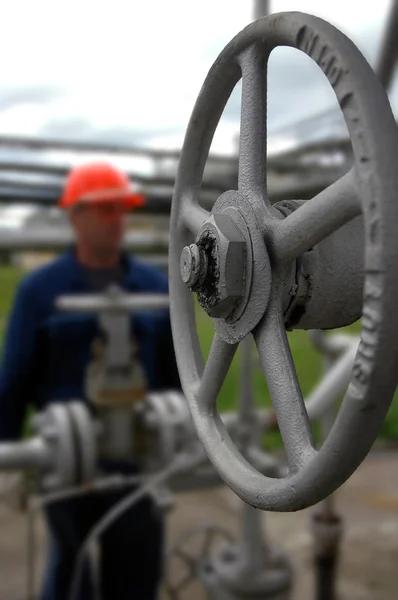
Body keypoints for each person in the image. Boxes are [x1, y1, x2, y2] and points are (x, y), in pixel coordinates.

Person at [0, 162, 181, 600]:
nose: (115, 220)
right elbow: (15, 377)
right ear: (74, 216)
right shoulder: (40, 291)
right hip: (67, 461)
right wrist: (8, 454)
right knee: (72, 568)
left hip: (139, 457)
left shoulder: (155, 285)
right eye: (103, 210)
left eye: (120, 209)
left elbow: (176, 372)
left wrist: (183, 434)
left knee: (137, 571)